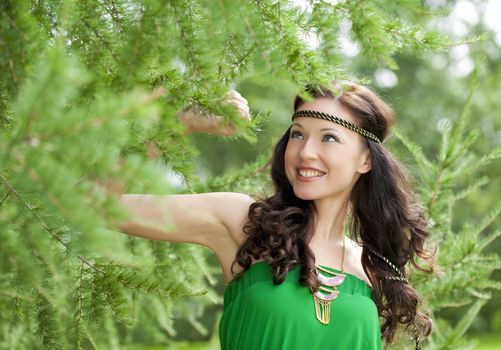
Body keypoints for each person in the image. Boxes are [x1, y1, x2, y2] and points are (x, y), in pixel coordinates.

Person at [115, 81, 434, 350]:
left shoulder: (373, 269)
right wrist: (176, 125)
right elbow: (91, 204)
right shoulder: (245, 224)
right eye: (297, 134)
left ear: (365, 160)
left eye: (329, 137)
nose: (306, 151)